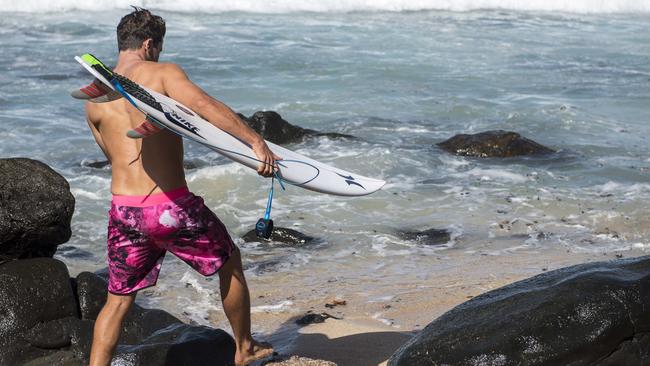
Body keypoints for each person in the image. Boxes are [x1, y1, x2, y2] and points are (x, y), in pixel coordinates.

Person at [83, 7, 276, 366]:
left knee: (118, 299)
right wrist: (255, 141)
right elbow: (202, 106)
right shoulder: (162, 73)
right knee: (229, 263)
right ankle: (245, 348)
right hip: (170, 207)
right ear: (148, 44)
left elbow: (113, 155)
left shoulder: (96, 96)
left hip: (125, 210)